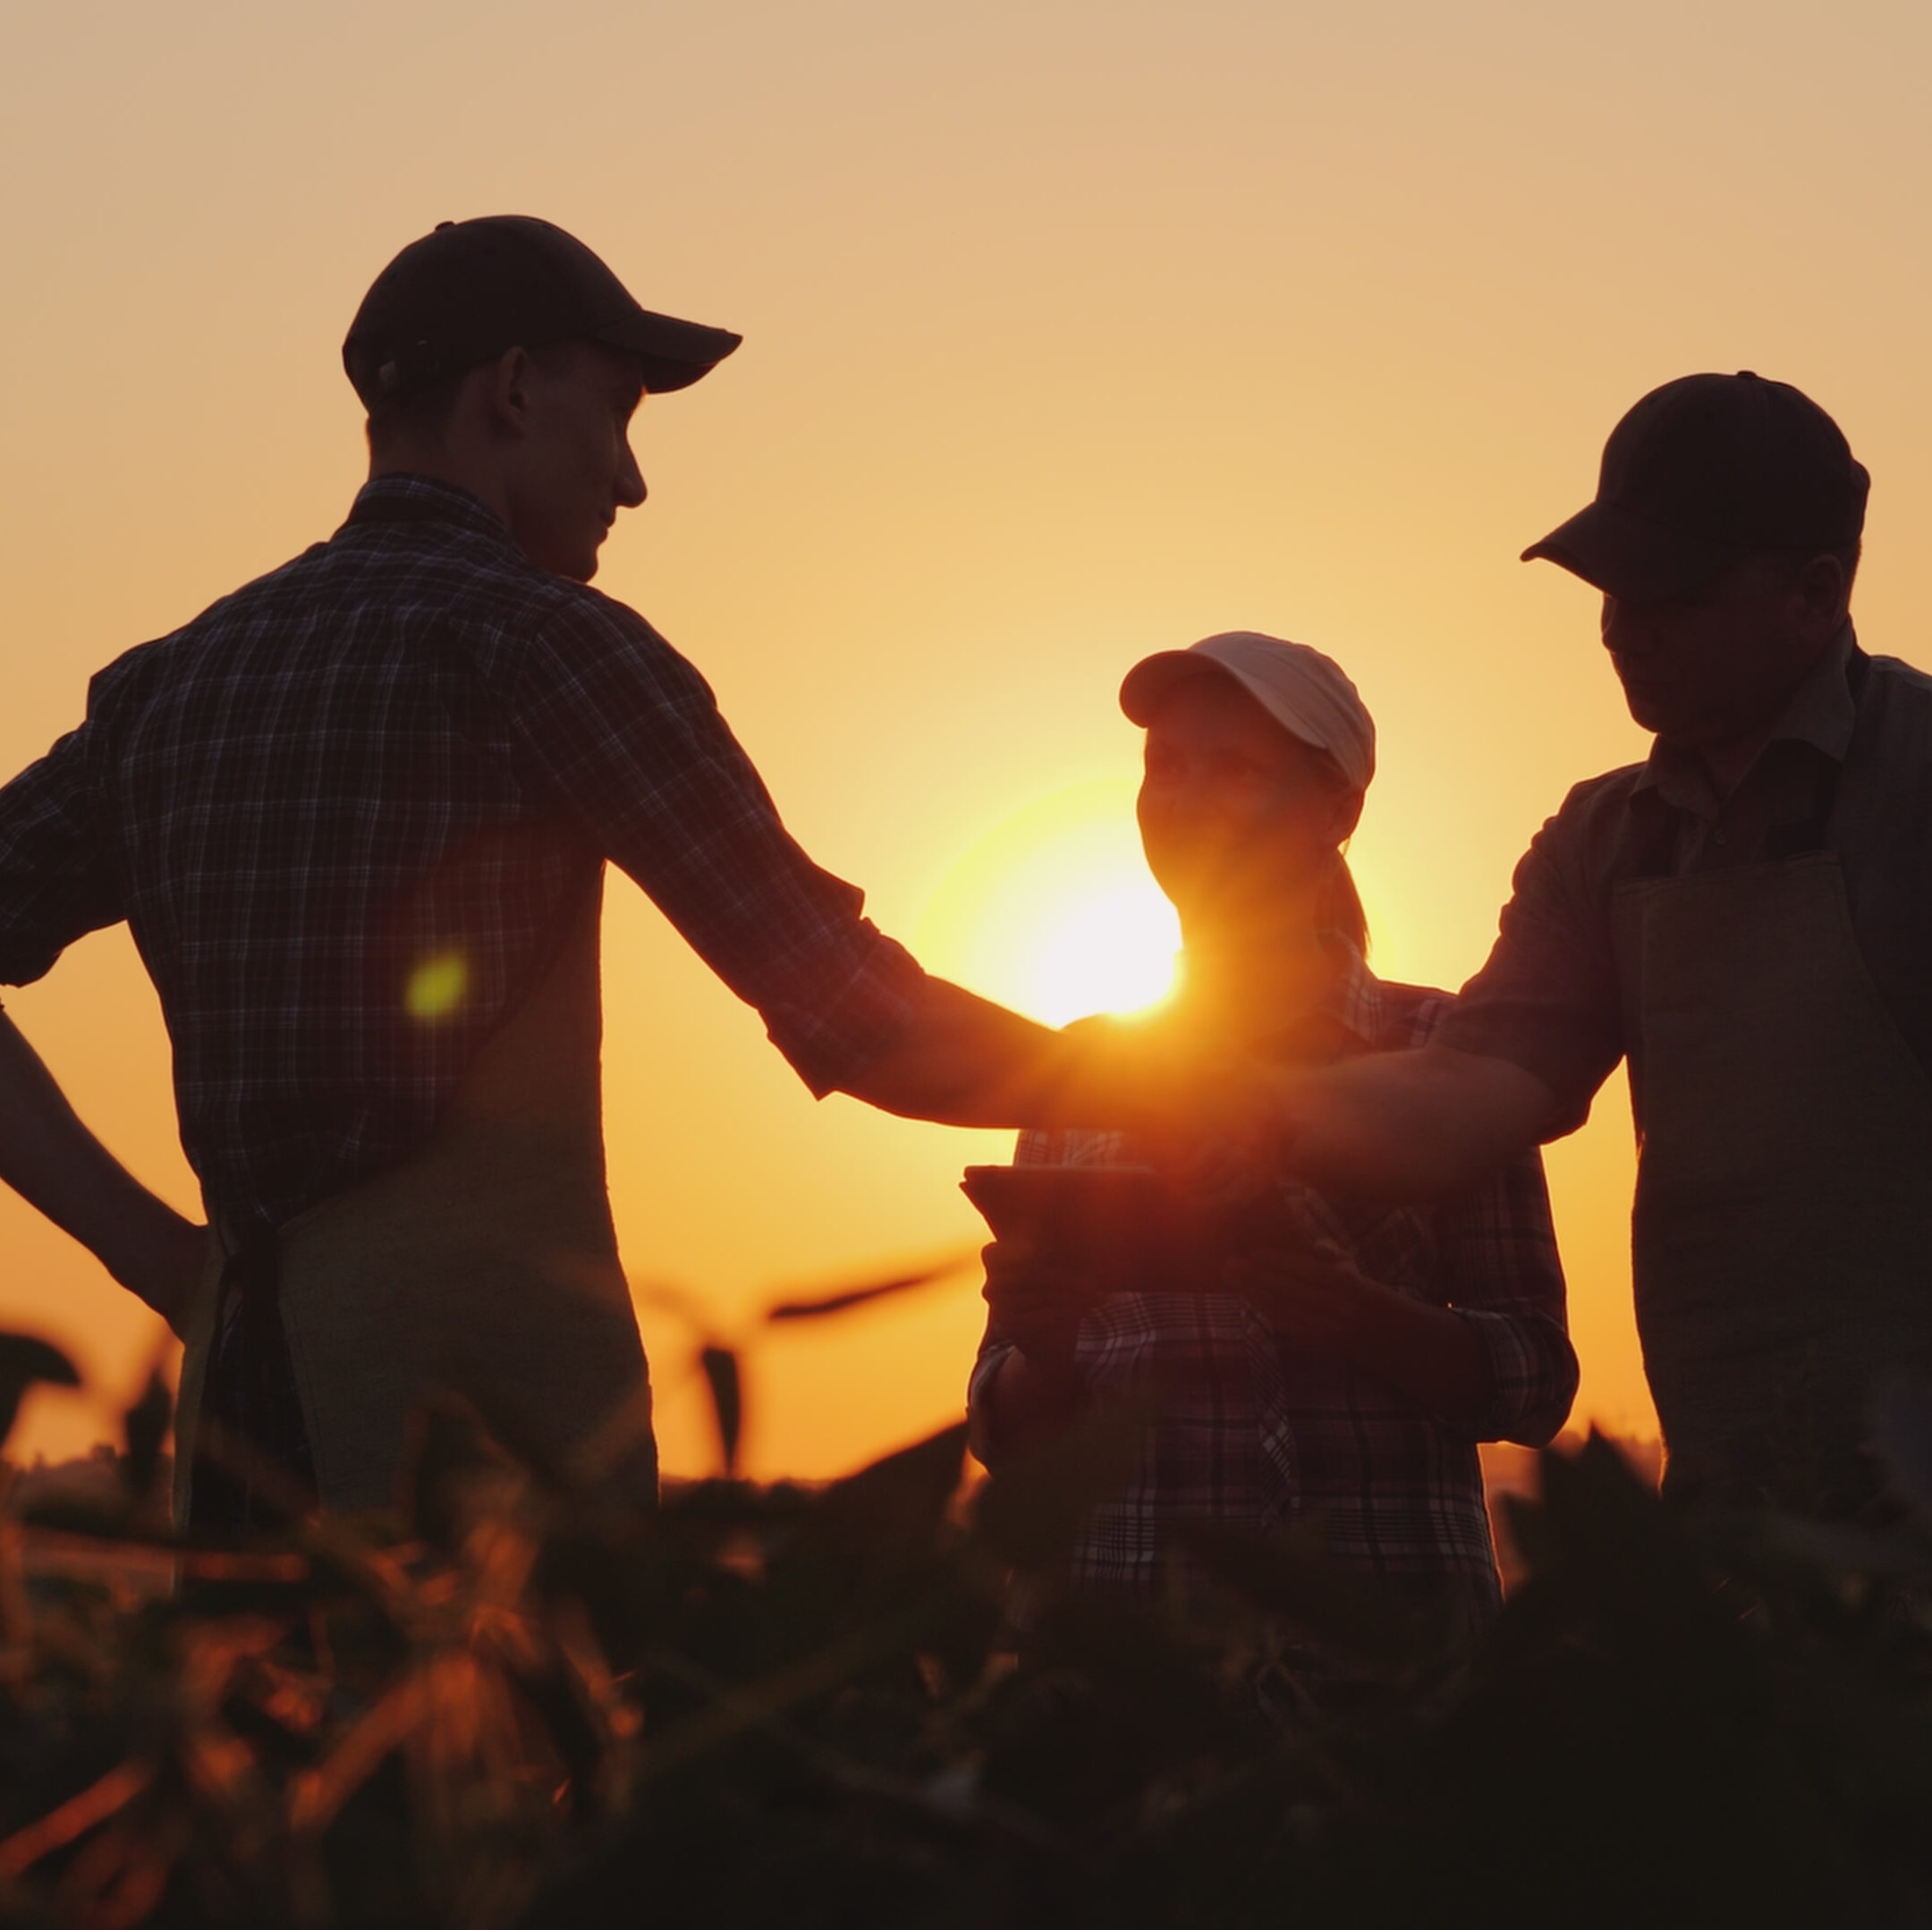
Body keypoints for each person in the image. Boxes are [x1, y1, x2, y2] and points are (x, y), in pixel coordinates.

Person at [0, 216, 1208, 1529]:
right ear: (515, 389)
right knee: (513, 1739)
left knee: (265, 1742)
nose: (631, 482)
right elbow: (863, 1022)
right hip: (492, 1460)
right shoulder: (543, 647)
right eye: (620, 413)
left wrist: (169, 1263)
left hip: (237, 1437)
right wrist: (1178, 1093)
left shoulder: (173, 685)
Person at [1265, 371, 1928, 1518]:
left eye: (1669, 588)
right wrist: (1211, 1101)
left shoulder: (1919, 784)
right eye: (1609, 583)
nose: (1623, 625)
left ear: (1817, 594)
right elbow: (1468, 1094)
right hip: (1739, 1515)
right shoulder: (1606, 840)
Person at [967, 633, 1577, 1623]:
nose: (1188, 797)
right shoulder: (1076, 1071)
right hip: (1130, 1656)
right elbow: (1006, 1425)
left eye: (1237, 768)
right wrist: (1046, 1340)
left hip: (1387, 1648)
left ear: (1339, 809)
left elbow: (1536, 1380)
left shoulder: (1445, 1052)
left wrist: (1357, 1316)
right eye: (1166, 766)